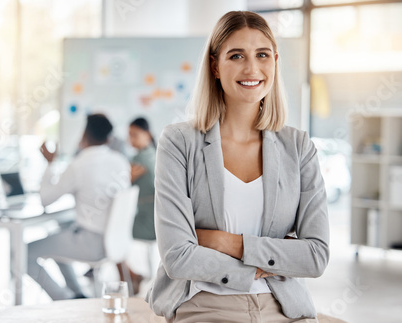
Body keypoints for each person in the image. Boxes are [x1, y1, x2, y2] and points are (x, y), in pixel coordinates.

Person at [146, 11, 330, 323]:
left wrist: (227, 242)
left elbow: (315, 256)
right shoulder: (179, 142)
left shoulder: (298, 147)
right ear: (215, 66)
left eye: (262, 55)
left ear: (274, 61)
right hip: (204, 306)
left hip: (282, 307)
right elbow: (177, 257)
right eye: (236, 56)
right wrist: (266, 261)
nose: (252, 68)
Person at [28, 114, 130, 300]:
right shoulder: (121, 161)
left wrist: (50, 164)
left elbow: (45, 199)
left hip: (91, 245)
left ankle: (64, 299)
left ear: (84, 135)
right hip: (114, 241)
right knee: (59, 233)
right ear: (108, 138)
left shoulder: (79, 165)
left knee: (24, 253)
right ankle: (77, 295)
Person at [117, 117, 157, 294]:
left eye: (134, 135)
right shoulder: (154, 153)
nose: (130, 140)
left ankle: (129, 276)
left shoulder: (140, 159)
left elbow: (119, 185)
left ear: (147, 134)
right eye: (129, 135)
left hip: (148, 224)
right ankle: (131, 274)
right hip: (156, 220)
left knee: (111, 233)